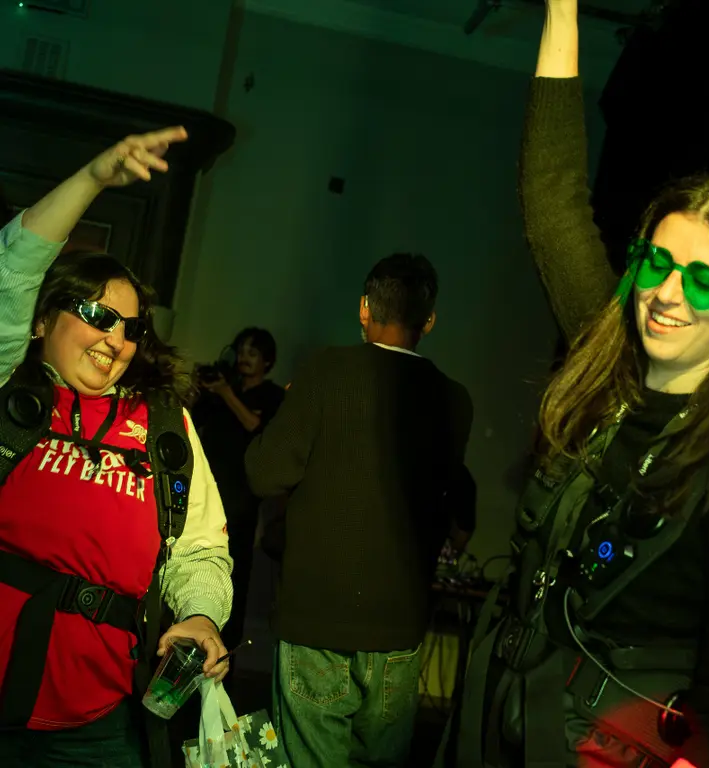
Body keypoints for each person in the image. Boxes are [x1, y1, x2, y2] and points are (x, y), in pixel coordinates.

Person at [439, 2, 709, 767]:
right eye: (657, 263)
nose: (668, 293)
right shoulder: (608, 361)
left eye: (705, 279)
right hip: (498, 722)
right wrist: (562, 10)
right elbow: (553, 202)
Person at [0, 127, 233, 767]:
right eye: (97, 316)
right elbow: (12, 270)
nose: (117, 339)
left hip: (99, 726)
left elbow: (200, 549)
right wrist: (93, 179)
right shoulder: (9, 391)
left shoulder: (164, 427)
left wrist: (202, 617)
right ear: (41, 320)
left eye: (131, 328)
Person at [245, 253, 474, 768]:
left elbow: (264, 474)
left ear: (365, 308)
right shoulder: (454, 400)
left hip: (317, 620)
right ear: (429, 321)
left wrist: (287, 409)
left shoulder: (326, 372)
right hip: (398, 628)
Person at [193, 327, 285, 656]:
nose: (244, 358)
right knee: (197, 566)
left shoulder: (272, 397)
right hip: (206, 490)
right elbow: (194, 420)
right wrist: (204, 389)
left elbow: (256, 428)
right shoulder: (222, 390)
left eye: (253, 353)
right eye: (241, 351)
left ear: (267, 361)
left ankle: (224, 654)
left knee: (233, 577)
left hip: (241, 501)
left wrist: (226, 393)